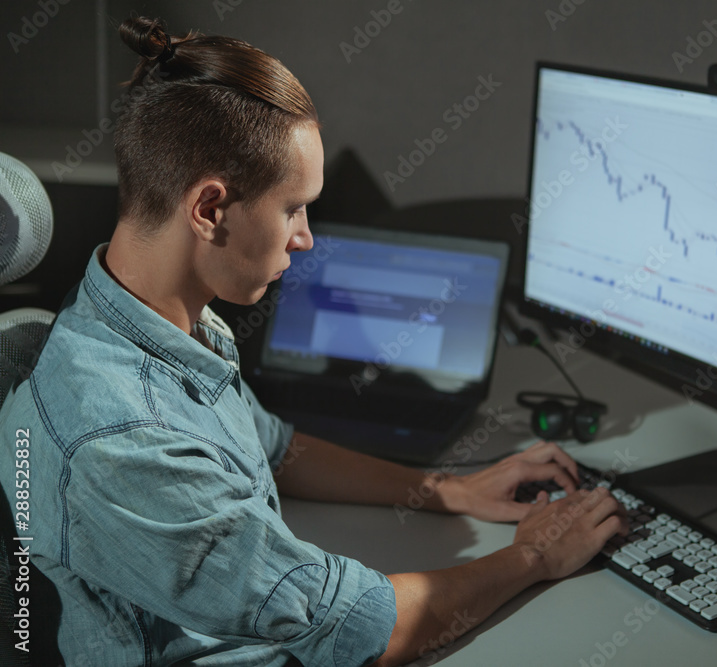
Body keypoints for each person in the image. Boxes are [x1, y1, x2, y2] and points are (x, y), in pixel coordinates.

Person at [0, 16, 625, 666]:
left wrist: (449, 490)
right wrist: (535, 555)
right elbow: (364, 628)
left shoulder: (149, 315)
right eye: (292, 208)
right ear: (210, 209)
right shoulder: (126, 443)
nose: (305, 238)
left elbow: (277, 448)